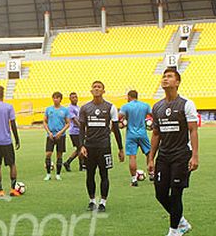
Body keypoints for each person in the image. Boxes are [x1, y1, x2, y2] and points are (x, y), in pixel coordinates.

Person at [147, 68, 200, 236]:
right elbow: (156, 134)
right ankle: (181, 222)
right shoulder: (157, 107)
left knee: (176, 193)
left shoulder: (186, 104)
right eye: (164, 76)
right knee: (160, 193)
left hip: (181, 155)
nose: (165, 79)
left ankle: (173, 231)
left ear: (177, 82)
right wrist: (150, 158)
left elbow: (193, 130)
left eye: (169, 76)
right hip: (164, 155)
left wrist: (194, 155)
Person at [79, 81, 124, 212]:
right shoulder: (85, 108)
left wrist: (120, 148)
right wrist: (81, 146)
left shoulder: (110, 107)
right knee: (90, 174)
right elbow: (82, 129)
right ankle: (92, 201)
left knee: (104, 174)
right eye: (94, 87)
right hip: (89, 146)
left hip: (104, 147)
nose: (97, 89)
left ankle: (103, 202)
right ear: (91, 91)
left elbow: (116, 129)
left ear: (104, 91)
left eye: (99, 87)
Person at [119, 90, 152, 186]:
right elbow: (154, 115)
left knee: (132, 156)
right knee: (149, 153)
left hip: (131, 135)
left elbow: (118, 118)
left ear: (129, 97)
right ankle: (152, 174)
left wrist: (122, 124)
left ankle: (134, 180)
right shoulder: (145, 105)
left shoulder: (126, 106)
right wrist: (151, 125)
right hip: (142, 133)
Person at [43, 92, 70, 181]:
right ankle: (48, 174)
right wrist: (49, 132)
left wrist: (60, 132)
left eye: (57, 98)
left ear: (60, 99)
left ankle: (58, 174)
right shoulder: (48, 109)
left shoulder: (65, 110)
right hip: (50, 135)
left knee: (59, 155)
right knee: (48, 154)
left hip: (60, 135)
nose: (55, 99)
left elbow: (68, 123)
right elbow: (45, 122)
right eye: (54, 98)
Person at [63, 92, 84, 172]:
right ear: (70, 99)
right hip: (74, 131)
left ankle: (69, 163)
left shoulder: (78, 107)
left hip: (79, 131)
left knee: (79, 148)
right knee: (80, 148)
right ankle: (80, 165)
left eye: (76, 97)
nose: (75, 99)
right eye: (73, 97)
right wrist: (82, 128)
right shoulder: (70, 108)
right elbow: (74, 120)